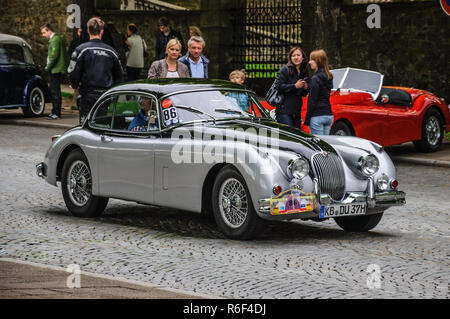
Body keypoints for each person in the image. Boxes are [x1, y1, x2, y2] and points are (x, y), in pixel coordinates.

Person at [68, 17, 124, 123]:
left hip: (87, 94)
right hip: (105, 95)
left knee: (86, 124)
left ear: (88, 31)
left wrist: (73, 83)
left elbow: (73, 70)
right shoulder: (111, 51)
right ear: (102, 32)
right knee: (101, 123)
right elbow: (119, 75)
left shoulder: (81, 49)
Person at [274, 46, 309, 128]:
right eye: (293, 56)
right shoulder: (285, 70)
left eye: (298, 55)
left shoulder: (303, 71)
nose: (296, 57)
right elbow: (278, 86)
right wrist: (294, 86)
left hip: (296, 112)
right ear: (290, 58)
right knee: (288, 138)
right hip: (284, 112)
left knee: (296, 138)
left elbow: (303, 94)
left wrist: (306, 88)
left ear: (303, 57)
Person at [41, 23, 69, 120]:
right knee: (55, 90)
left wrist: (47, 67)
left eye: (44, 32)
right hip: (57, 68)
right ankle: (55, 111)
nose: (43, 35)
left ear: (49, 30)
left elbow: (54, 56)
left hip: (55, 69)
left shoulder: (55, 40)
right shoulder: (57, 38)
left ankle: (56, 113)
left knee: (55, 91)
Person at [303, 49, 334, 135]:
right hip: (328, 115)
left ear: (318, 61)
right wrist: (309, 88)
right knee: (326, 145)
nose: (309, 62)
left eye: (311, 60)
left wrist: (307, 119)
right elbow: (322, 93)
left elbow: (312, 100)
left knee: (318, 146)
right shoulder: (329, 76)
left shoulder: (315, 78)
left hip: (317, 117)